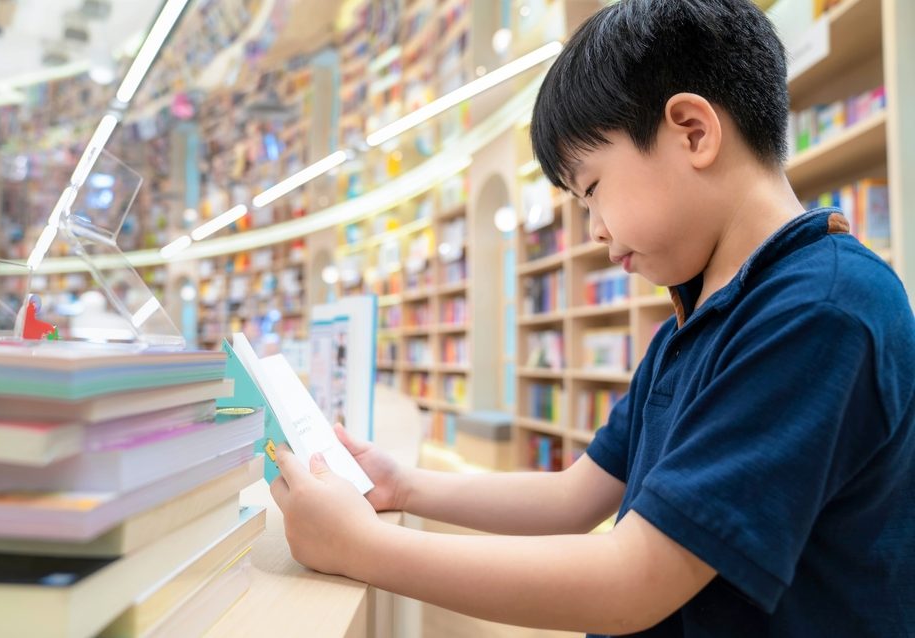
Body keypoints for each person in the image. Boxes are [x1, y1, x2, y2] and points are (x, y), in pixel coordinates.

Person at [270, 1, 915, 635]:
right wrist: (405, 487)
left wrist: (361, 548)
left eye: (593, 189)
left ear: (693, 131)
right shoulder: (690, 327)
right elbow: (575, 495)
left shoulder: (821, 310)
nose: (595, 230)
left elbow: (632, 580)